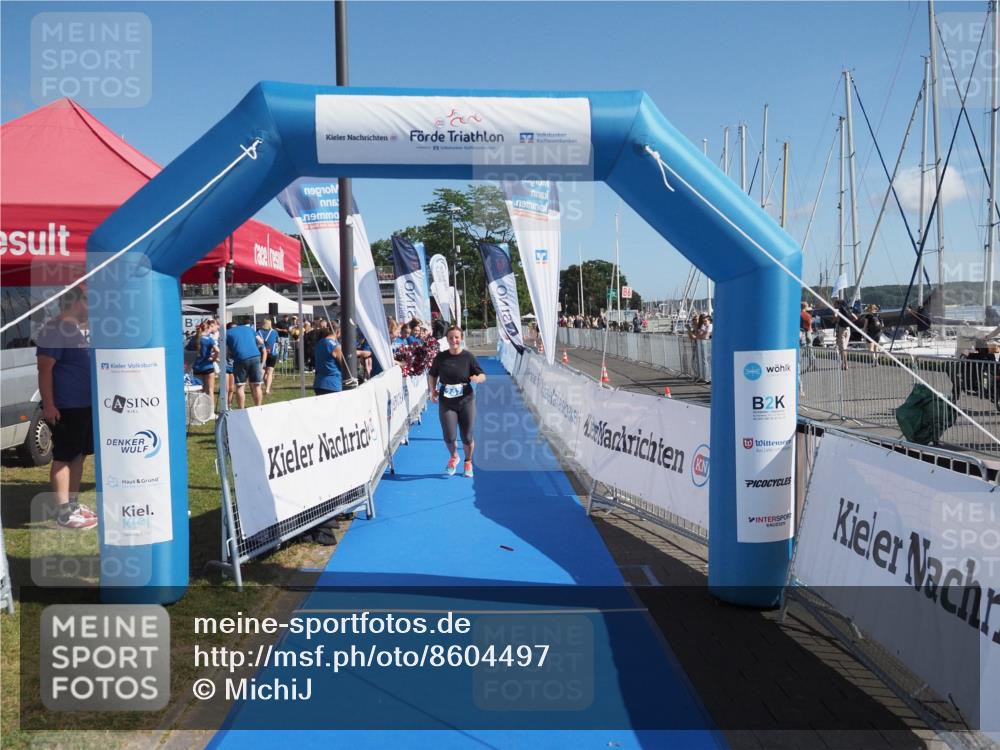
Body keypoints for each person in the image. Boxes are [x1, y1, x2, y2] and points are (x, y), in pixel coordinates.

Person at [36, 287, 97, 529]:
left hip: (84, 405)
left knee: (79, 456)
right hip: (66, 407)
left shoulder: (75, 330)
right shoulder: (54, 329)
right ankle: (63, 512)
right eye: (89, 300)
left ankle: (72, 505)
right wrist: (50, 404)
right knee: (64, 457)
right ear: (76, 302)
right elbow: (44, 369)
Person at [428, 326, 486, 478]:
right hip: (446, 401)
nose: (454, 340)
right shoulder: (440, 357)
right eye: (451, 338)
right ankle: (454, 457)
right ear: (447, 340)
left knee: (467, 436)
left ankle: (468, 461)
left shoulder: (468, 357)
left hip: (466, 400)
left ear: (461, 339)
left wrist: (477, 378)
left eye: (457, 337)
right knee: (449, 435)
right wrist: (432, 390)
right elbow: (432, 374)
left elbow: (482, 375)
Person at [226, 316, 265, 408]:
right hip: (255, 356)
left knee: (240, 386)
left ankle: (241, 409)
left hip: (240, 358)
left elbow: (226, 352)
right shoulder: (249, 329)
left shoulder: (227, 333)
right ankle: (258, 407)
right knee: (256, 385)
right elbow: (261, 342)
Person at [192, 320, 220, 411]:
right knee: (210, 390)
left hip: (197, 367)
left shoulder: (194, 338)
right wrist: (214, 359)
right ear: (208, 327)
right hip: (208, 366)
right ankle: (211, 411)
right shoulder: (209, 339)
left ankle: (199, 410)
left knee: (199, 390)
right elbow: (217, 350)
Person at [313, 322, 344, 395]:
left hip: (319, 383)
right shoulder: (335, 346)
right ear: (338, 331)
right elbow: (344, 365)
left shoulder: (320, 342)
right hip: (333, 384)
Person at [257, 318, 280, 395]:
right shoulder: (274, 332)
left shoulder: (258, 332)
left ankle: (260, 387)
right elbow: (277, 342)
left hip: (262, 353)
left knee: (263, 371)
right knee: (270, 372)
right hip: (272, 353)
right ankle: (267, 389)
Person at [834, 299, 857, 371]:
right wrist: (849, 323)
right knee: (844, 348)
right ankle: (843, 363)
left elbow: (836, 320)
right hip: (848, 330)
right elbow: (856, 318)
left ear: (838, 304)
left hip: (842, 330)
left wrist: (834, 318)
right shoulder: (848, 309)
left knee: (842, 348)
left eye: (835, 304)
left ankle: (845, 364)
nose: (834, 305)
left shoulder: (839, 310)